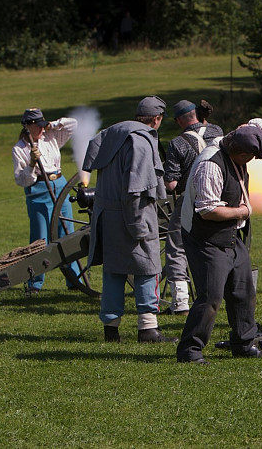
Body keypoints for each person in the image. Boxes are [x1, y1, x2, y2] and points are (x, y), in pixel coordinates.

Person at [82, 96, 176, 343]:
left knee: (113, 271)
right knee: (148, 268)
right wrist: (137, 225)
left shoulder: (113, 134)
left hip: (107, 215)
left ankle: (110, 330)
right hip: (134, 214)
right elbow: (136, 190)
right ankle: (148, 329)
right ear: (157, 119)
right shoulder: (141, 142)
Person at [176, 125, 262, 364]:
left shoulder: (234, 153)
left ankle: (242, 342)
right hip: (206, 237)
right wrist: (242, 211)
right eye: (250, 156)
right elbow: (208, 210)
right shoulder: (211, 165)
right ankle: (190, 351)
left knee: (243, 291)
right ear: (239, 150)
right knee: (211, 297)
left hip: (230, 235)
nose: (251, 160)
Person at [162, 100, 225, 315]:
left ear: (179, 120)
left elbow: (171, 184)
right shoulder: (217, 132)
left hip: (191, 200)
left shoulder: (177, 143)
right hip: (220, 198)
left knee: (176, 247)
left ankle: (180, 302)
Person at [12, 108, 82, 294]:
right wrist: (32, 164)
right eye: (39, 126)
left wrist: (52, 124)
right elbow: (22, 180)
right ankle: (35, 283)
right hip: (38, 190)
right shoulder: (19, 149)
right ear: (28, 126)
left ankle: (74, 279)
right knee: (39, 238)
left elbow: (73, 124)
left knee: (68, 233)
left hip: (59, 185)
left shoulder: (50, 136)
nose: (43, 129)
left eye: (44, 125)